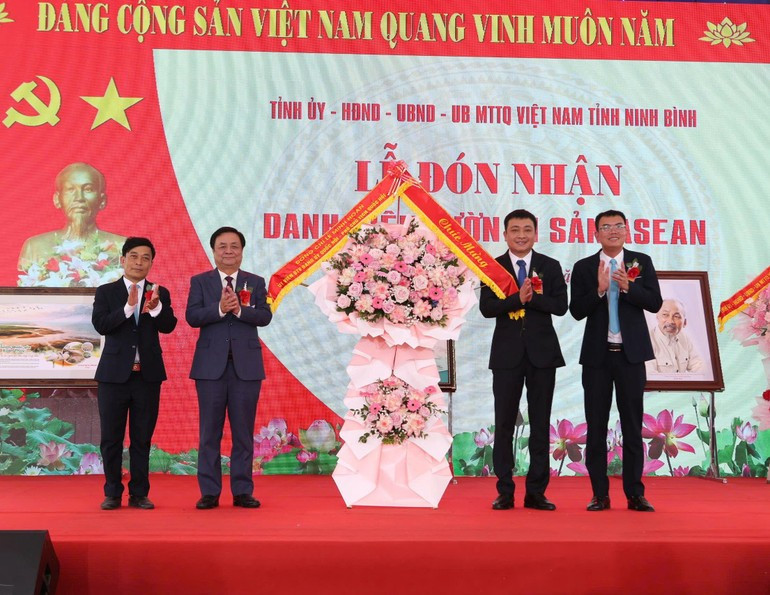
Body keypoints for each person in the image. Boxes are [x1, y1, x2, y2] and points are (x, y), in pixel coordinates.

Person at [569, 210, 662, 512]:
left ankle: (635, 494)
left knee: (632, 426)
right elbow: (576, 311)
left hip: (631, 356)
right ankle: (600, 494)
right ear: (595, 234)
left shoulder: (640, 262)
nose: (612, 231)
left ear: (626, 231)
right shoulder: (584, 267)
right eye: (605, 227)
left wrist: (627, 287)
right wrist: (598, 289)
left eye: (618, 226)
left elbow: (655, 302)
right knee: (596, 427)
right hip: (597, 358)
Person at [479, 209, 568, 511]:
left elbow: (560, 306)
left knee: (540, 424)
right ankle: (505, 490)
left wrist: (533, 299)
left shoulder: (549, 266)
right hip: (506, 356)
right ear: (504, 235)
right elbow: (487, 308)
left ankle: (536, 492)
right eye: (514, 230)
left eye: (527, 229)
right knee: (504, 424)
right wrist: (518, 299)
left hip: (542, 355)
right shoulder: (494, 267)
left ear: (535, 234)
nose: (521, 235)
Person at [187, 227, 272, 510]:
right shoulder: (200, 282)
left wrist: (238, 311)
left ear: (242, 250)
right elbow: (192, 316)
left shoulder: (255, 282)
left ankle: (242, 491)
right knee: (209, 433)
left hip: (246, 370)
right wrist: (221, 309)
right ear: (213, 250)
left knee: (243, 433)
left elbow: (264, 317)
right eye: (222, 246)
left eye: (234, 246)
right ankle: (209, 492)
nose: (228, 251)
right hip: (210, 369)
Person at [91, 237, 177, 510]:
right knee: (111, 438)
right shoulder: (106, 292)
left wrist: (157, 308)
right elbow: (101, 325)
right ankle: (112, 493)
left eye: (146, 258)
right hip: (113, 377)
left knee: (142, 438)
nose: (140, 262)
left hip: (147, 377)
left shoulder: (158, 292)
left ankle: (139, 493)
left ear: (152, 262)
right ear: (123, 259)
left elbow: (169, 326)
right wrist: (129, 307)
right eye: (135, 256)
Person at [18, 163, 126, 275]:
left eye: (88, 189)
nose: (79, 198)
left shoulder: (124, 246)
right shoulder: (35, 247)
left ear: (102, 200)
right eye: (70, 189)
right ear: (57, 200)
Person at [647, 298, 704, 374]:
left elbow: (699, 366)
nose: (670, 321)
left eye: (676, 316)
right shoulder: (647, 341)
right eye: (665, 315)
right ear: (657, 317)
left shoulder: (684, 338)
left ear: (685, 322)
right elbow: (651, 376)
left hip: (683, 386)